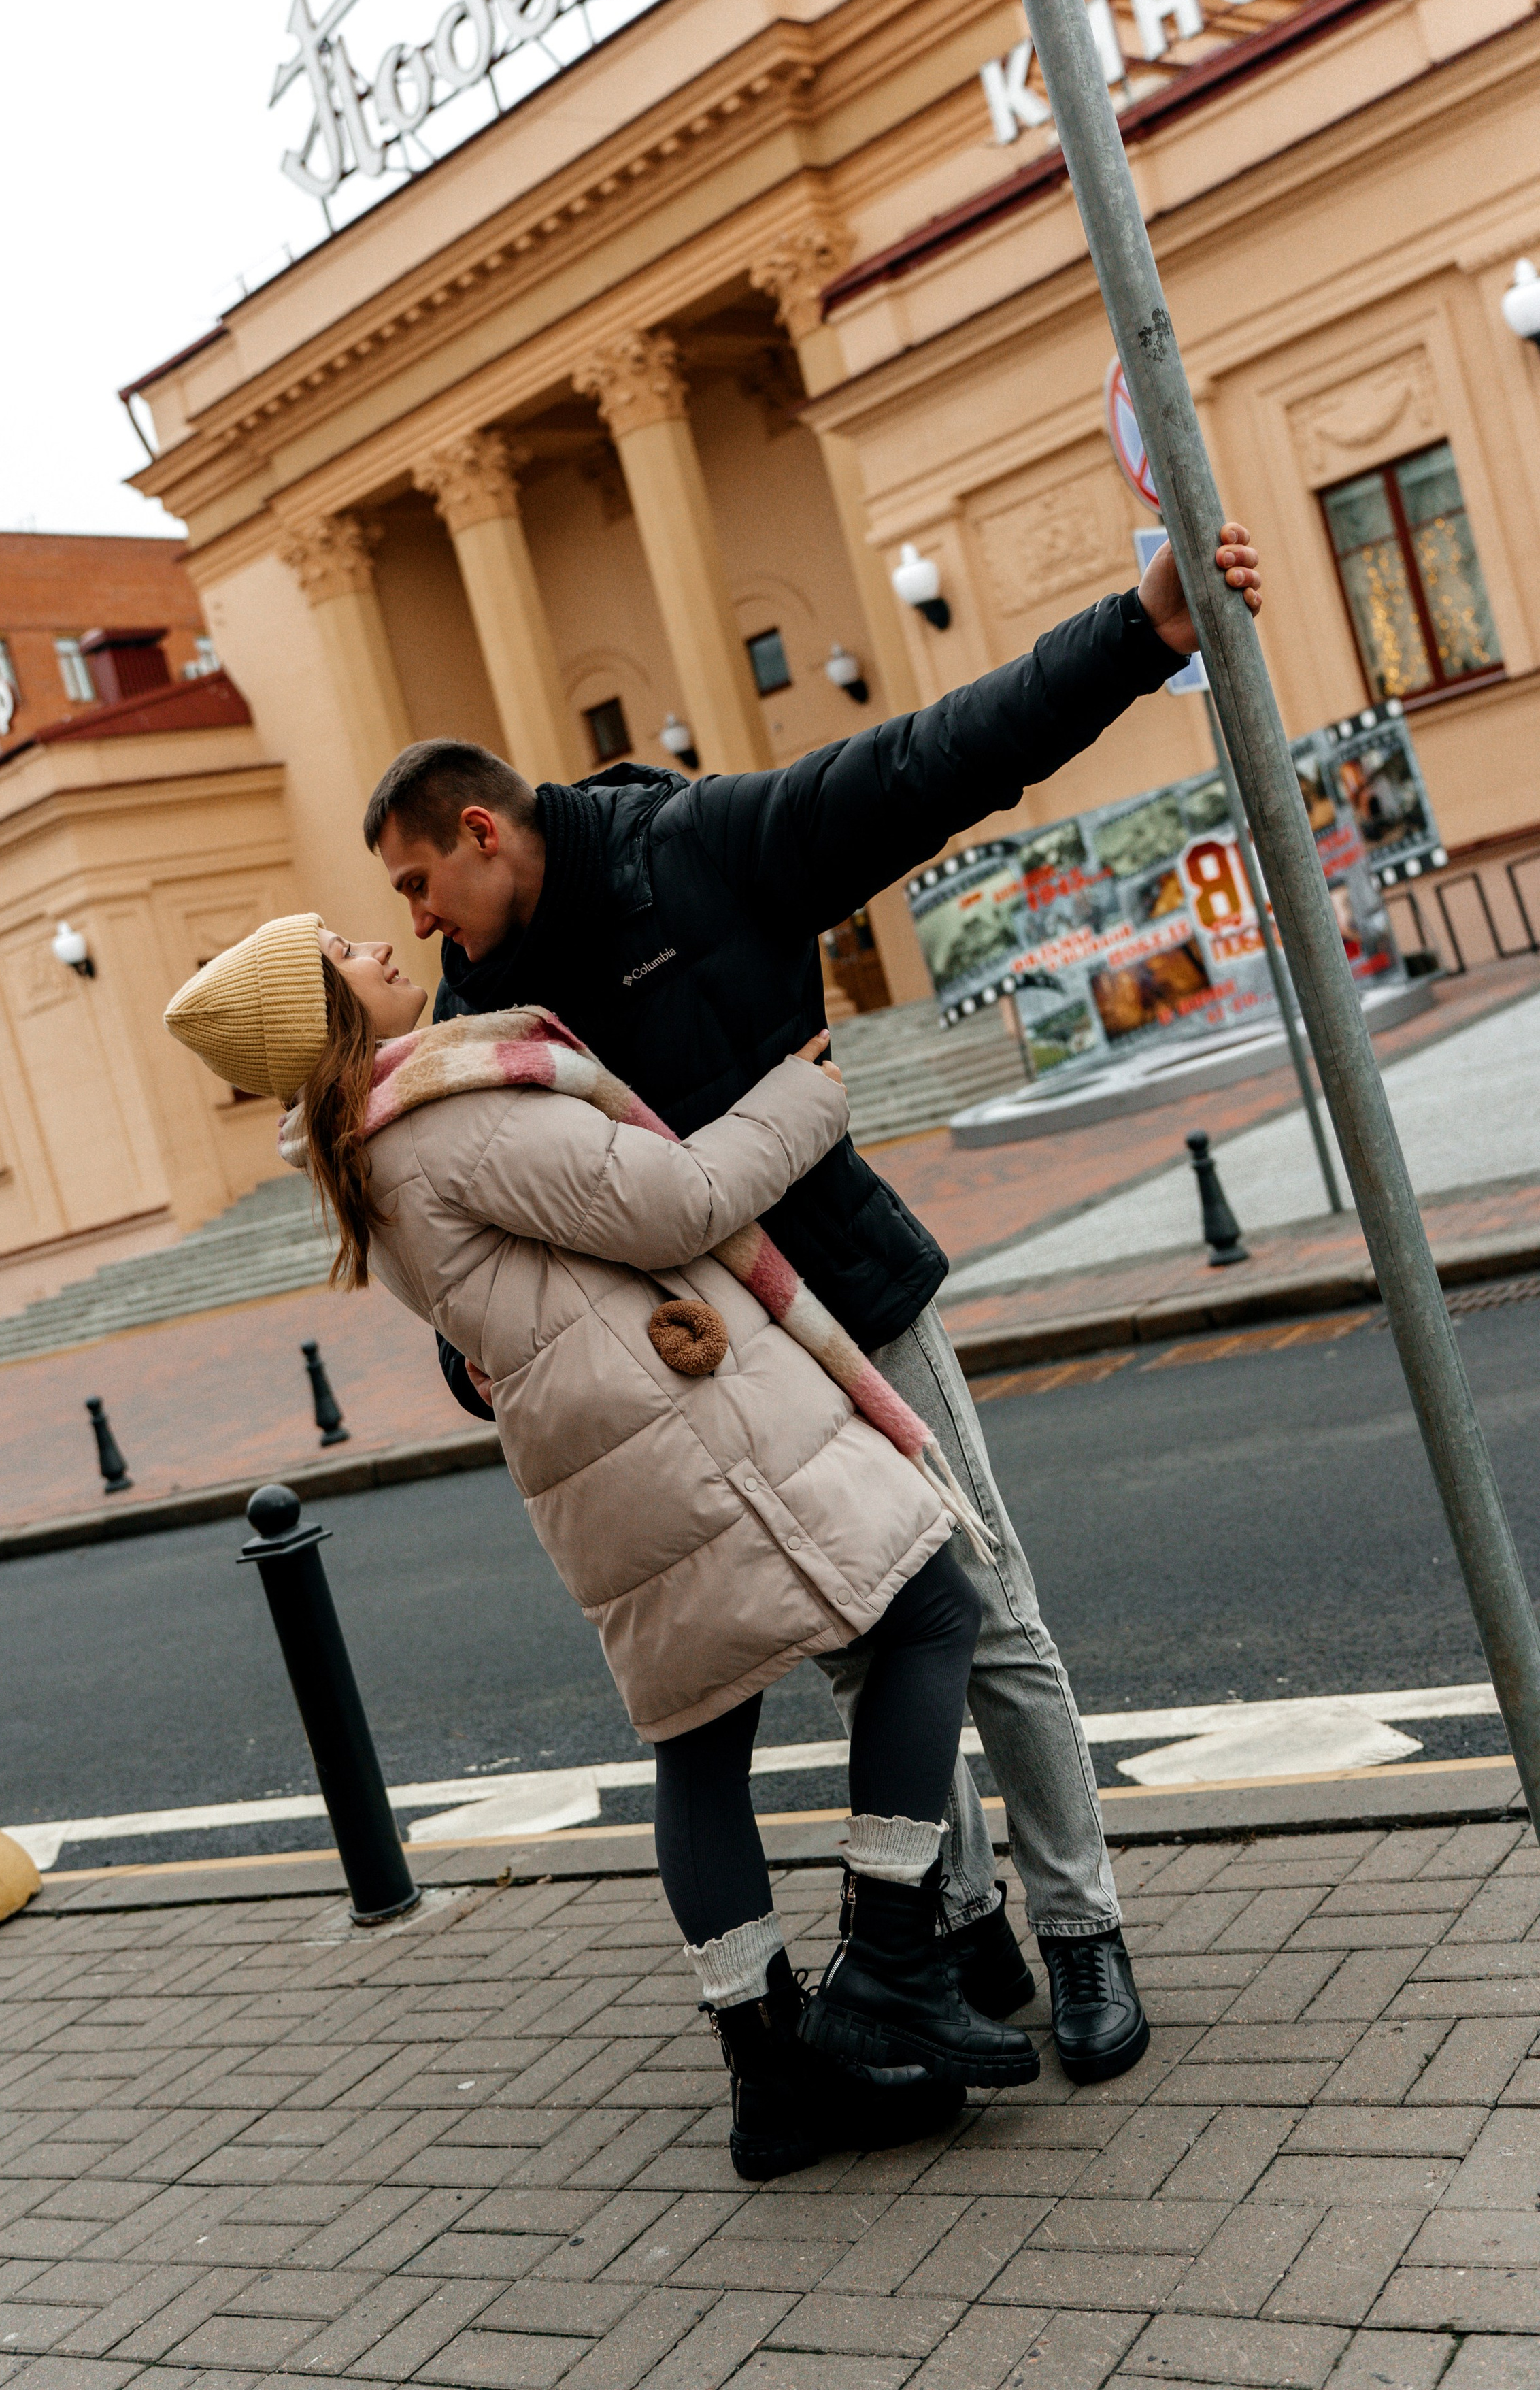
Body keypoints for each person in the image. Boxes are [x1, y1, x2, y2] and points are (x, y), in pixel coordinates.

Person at [368, 525, 1265, 2085]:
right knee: (872, 1649)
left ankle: (1082, 1932)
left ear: (479, 832)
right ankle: (961, 1931)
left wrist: (1138, 631)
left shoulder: (693, 846)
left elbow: (933, 759)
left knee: (985, 1612)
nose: (415, 919)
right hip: (715, 1364)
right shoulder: (478, 1017)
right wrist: (473, 1348)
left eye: (416, 883)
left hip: (845, 1280)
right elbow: (501, 1233)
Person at [163, 916, 1043, 2180]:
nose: (379, 941)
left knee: (700, 1738)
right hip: (680, 1433)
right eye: (346, 948)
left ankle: (772, 2078)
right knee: (932, 1614)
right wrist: (805, 1091)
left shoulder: (365, 1150)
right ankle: (895, 1966)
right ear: (327, 1016)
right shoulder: (440, 1117)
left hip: (606, 1462)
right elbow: (675, 1199)